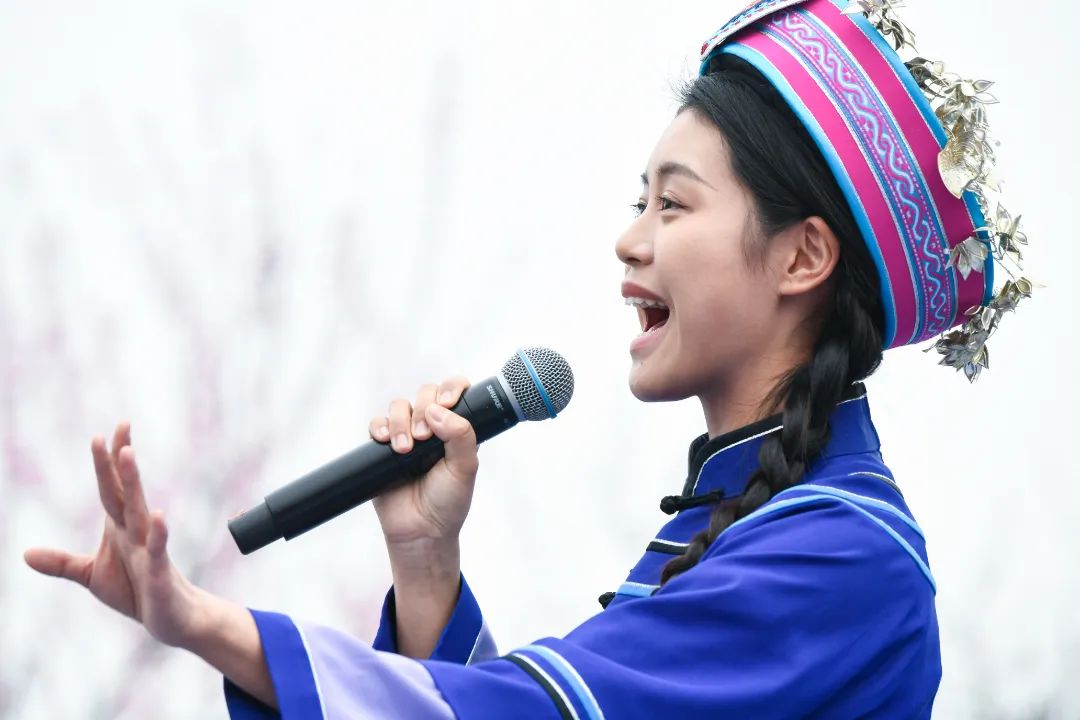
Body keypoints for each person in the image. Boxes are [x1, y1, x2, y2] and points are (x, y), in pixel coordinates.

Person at [24, 1, 1032, 717]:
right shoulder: (757, 525)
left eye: (673, 204)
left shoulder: (843, 557)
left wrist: (203, 622)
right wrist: (426, 564)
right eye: (638, 202)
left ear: (804, 256)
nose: (630, 240)